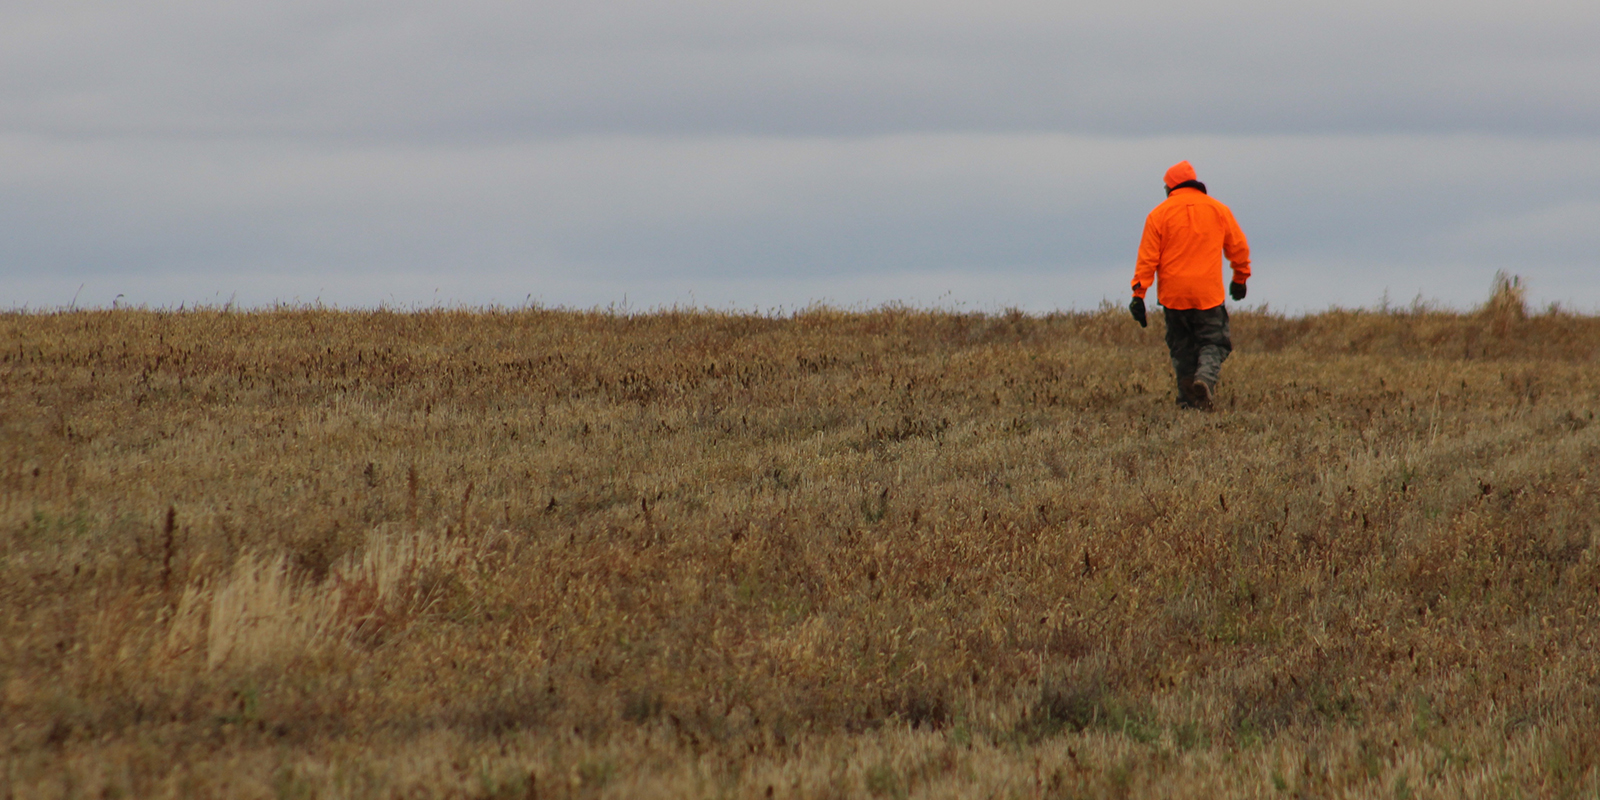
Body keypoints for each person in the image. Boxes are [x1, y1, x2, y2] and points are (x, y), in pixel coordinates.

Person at [1127, 161, 1251, 411]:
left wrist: (1138, 295)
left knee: (1182, 350)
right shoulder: (1219, 210)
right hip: (1208, 295)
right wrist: (1240, 279)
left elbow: (1147, 258)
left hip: (1174, 296)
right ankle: (1204, 380)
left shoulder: (1158, 215)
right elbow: (1239, 248)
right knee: (1215, 343)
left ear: (1171, 187)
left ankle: (1187, 402)